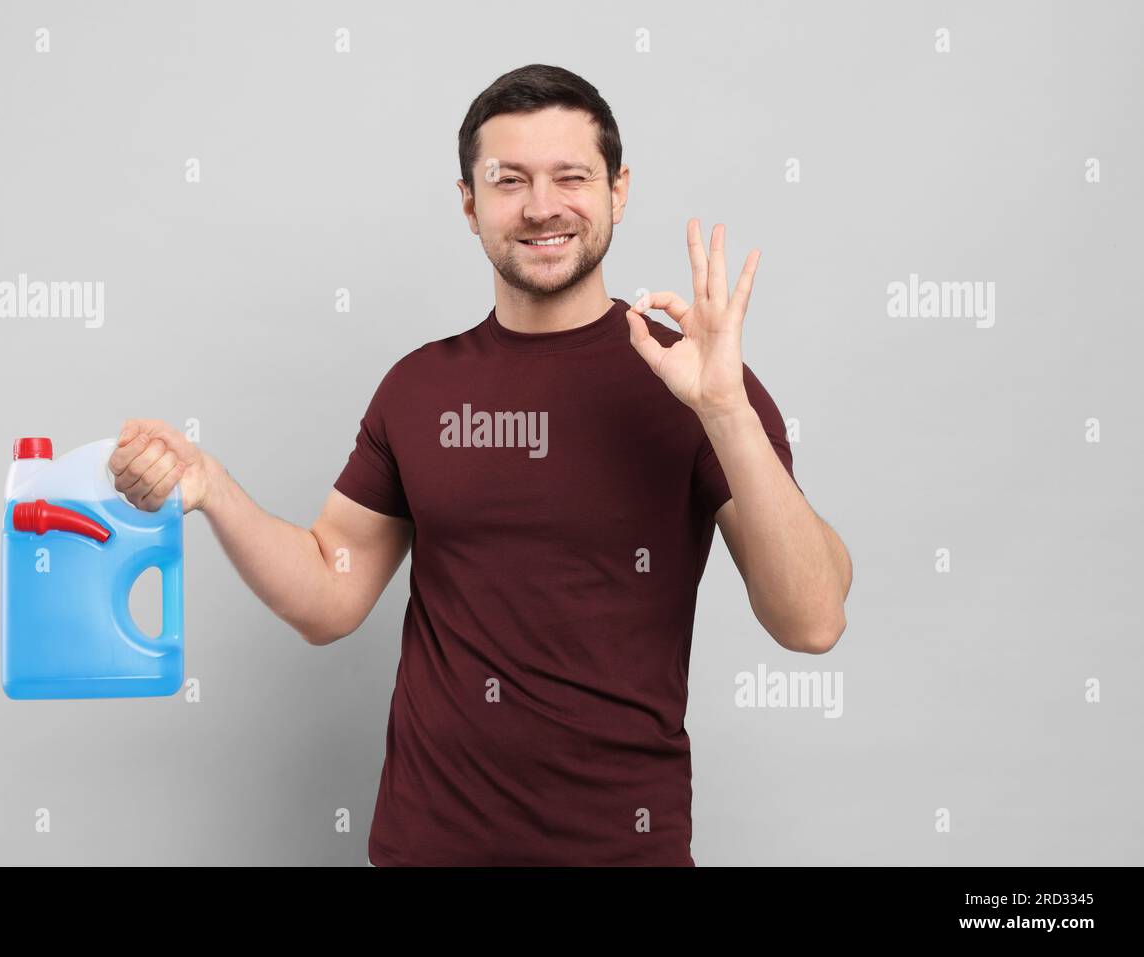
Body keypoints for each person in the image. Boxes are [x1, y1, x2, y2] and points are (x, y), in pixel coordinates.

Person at [110, 64, 853, 866]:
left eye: (572, 176)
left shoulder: (699, 385)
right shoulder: (420, 387)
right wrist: (213, 489)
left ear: (618, 191)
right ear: (469, 202)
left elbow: (811, 619)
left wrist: (725, 412)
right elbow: (329, 594)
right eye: (509, 181)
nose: (542, 206)